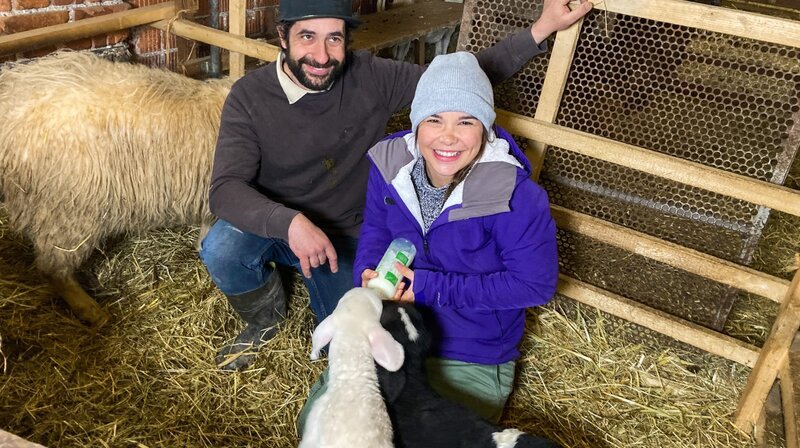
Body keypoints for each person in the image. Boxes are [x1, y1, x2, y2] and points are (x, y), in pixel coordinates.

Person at [200, 0, 591, 371]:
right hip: (282, 224)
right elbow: (225, 189)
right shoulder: (250, 96)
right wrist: (289, 222)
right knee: (221, 247)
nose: (321, 55)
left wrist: (542, 29)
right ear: (282, 36)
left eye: (334, 38)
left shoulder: (371, 76)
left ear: (346, 40)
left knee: (351, 342)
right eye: (307, 37)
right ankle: (265, 320)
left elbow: (458, 80)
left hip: (344, 233)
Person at [354, 51, 559, 423]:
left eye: (466, 121)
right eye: (434, 119)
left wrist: (432, 288)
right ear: (417, 124)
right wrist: (368, 273)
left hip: (471, 350)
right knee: (328, 425)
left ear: (485, 127)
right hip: (396, 325)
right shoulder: (389, 166)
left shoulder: (516, 195)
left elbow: (534, 285)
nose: (448, 137)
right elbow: (376, 229)